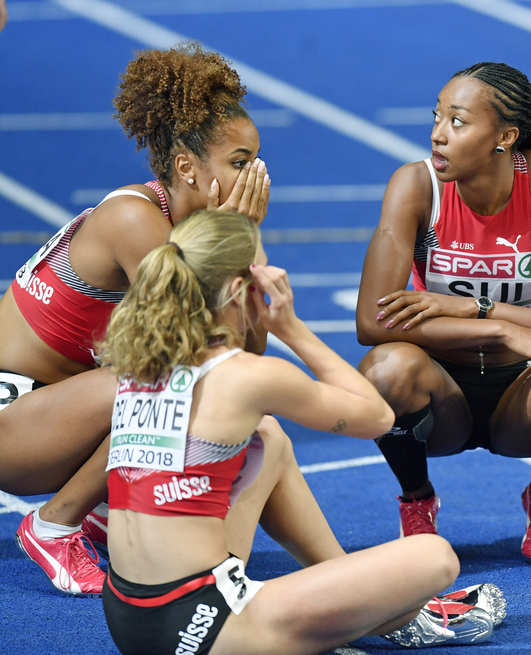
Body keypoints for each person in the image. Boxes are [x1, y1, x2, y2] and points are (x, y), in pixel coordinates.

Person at [99, 209, 503, 654]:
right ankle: (373, 618)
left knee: (269, 440)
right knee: (435, 557)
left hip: (128, 615)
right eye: (264, 268)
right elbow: (378, 417)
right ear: (239, 290)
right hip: (202, 625)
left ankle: (353, 600)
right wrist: (292, 329)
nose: (276, 274)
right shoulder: (248, 377)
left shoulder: (141, 364)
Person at [3, 42, 270, 595]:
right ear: (186, 168)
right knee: (175, 383)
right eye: (240, 162)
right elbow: (209, 350)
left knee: (216, 388)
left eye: (257, 161)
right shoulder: (134, 219)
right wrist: (242, 242)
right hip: (13, 417)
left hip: (52, 409)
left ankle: (106, 506)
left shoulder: (187, 231)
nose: (255, 175)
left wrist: (241, 244)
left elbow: (248, 353)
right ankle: (55, 524)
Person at [356, 62, 531, 563]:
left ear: (505, 136)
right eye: (436, 117)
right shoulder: (415, 187)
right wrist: (499, 326)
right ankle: (417, 501)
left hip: (520, 394)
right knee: (386, 368)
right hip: (440, 393)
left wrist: (477, 308)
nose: (437, 134)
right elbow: (372, 324)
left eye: (457, 122)